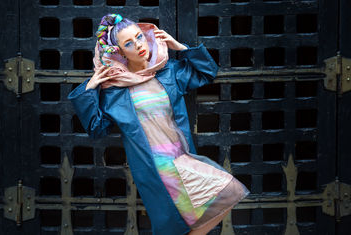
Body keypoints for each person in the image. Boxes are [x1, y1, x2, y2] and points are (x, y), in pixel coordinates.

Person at [68, 14, 249, 235]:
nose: (138, 45)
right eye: (128, 43)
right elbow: (97, 128)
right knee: (181, 220)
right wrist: (90, 88)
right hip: (154, 166)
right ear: (121, 52)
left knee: (227, 192)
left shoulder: (167, 71)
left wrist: (180, 48)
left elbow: (207, 72)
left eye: (139, 37)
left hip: (181, 158)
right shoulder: (115, 91)